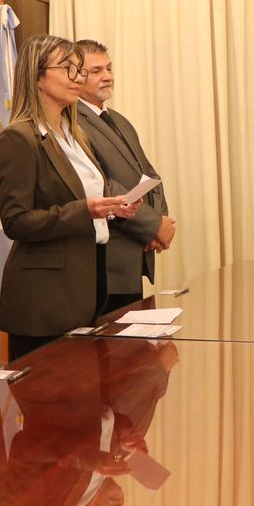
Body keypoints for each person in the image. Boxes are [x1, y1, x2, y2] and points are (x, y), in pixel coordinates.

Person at [0, 35, 138, 358]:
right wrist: (84, 210)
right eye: (68, 69)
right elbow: (16, 221)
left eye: (79, 70)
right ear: (38, 77)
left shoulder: (75, 135)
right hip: (45, 300)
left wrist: (113, 209)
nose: (78, 78)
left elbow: (87, 200)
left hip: (88, 285)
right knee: (53, 403)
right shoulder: (19, 137)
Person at [74, 39, 176, 313]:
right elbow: (101, 186)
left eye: (108, 68)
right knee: (113, 351)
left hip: (134, 253)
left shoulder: (118, 120)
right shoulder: (71, 122)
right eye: (96, 71)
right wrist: (153, 225)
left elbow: (150, 176)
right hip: (108, 262)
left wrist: (160, 223)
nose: (107, 76)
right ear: (75, 74)